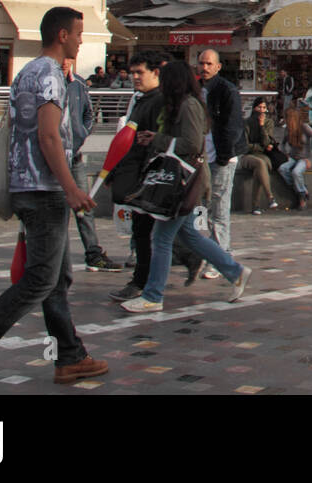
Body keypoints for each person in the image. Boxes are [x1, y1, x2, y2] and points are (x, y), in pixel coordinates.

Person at [0, 7, 109, 393]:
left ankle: (70, 357)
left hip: (28, 185)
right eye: (79, 33)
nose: (82, 40)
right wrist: (71, 187)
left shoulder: (27, 72)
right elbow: (49, 137)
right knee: (39, 280)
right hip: (45, 189)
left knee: (56, 278)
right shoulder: (50, 76)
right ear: (62, 35)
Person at [121, 62, 251, 313]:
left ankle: (153, 295)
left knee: (162, 238)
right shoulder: (182, 104)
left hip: (184, 182)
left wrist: (159, 139)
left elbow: (191, 143)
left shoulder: (189, 105)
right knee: (188, 234)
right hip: (183, 181)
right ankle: (235, 271)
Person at [106, 51, 172, 303]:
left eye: (139, 72)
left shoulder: (158, 102)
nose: (134, 77)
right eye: (132, 73)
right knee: (149, 232)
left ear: (155, 72)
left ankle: (142, 282)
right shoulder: (141, 99)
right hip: (138, 174)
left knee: (146, 232)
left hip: (150, 176)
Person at [62, 58, 122, 271]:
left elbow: (89, 115)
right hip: (53, 159)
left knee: (84, 206)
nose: (64, 62)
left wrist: (81, 134)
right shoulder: (46, 82)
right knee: (56, 209)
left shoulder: (78, 84)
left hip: (74, 156)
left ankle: (93, 252)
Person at [198, 49, 247, 271]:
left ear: (218, 66)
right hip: (201, 158)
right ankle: (207, 253)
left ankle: (221, 258)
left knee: (219, 209)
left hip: (221, 157)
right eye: (201, 63)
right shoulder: (197, 90)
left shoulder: (226, 90)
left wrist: (224, 156)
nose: (205, 67)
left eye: (209, 64)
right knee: (204, 208)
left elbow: (233, 125)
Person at [279, 98, 312, 208]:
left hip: (304, 158)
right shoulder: (288, 129)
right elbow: (282, 144)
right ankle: (301, 189)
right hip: (292, 156)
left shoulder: (305, 127)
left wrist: (311, 159)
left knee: (296, 172)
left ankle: (301, 195)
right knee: (283, 169)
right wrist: (285, 152)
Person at [242, 97, 283, 214]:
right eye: (259, 107)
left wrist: (261, 127)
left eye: (264, 107)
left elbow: (267, 142)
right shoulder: (246, 123)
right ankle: (270, 197)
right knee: (259, 164)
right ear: (254, 108)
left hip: (264, 156)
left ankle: (255, 206)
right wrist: (259, 147)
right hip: (248, 156)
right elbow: (245, 146)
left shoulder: (269, 122)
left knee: (259, 169)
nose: (261, 110)